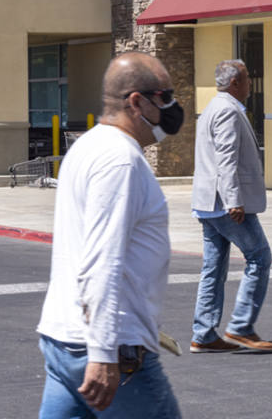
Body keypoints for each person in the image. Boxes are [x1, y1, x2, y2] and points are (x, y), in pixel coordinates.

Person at [36, 51, 184, 419]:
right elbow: (104, 259)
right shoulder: (121, 160)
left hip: (64, 341)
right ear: (137, 102)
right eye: (165, 97)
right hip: (111, 348)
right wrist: (103, 353)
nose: (172, 107)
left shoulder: (86, 147)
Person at [190, 59, 272, 354]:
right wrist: (233, 200)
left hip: (208, 203)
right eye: (248, 77)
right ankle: (240, 327)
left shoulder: (212, 107)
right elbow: (226, 158)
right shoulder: (227, 111)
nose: (251, 83)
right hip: (224, 203)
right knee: (260, 257)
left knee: (213, 267)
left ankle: (203, 333)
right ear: (236, 83)